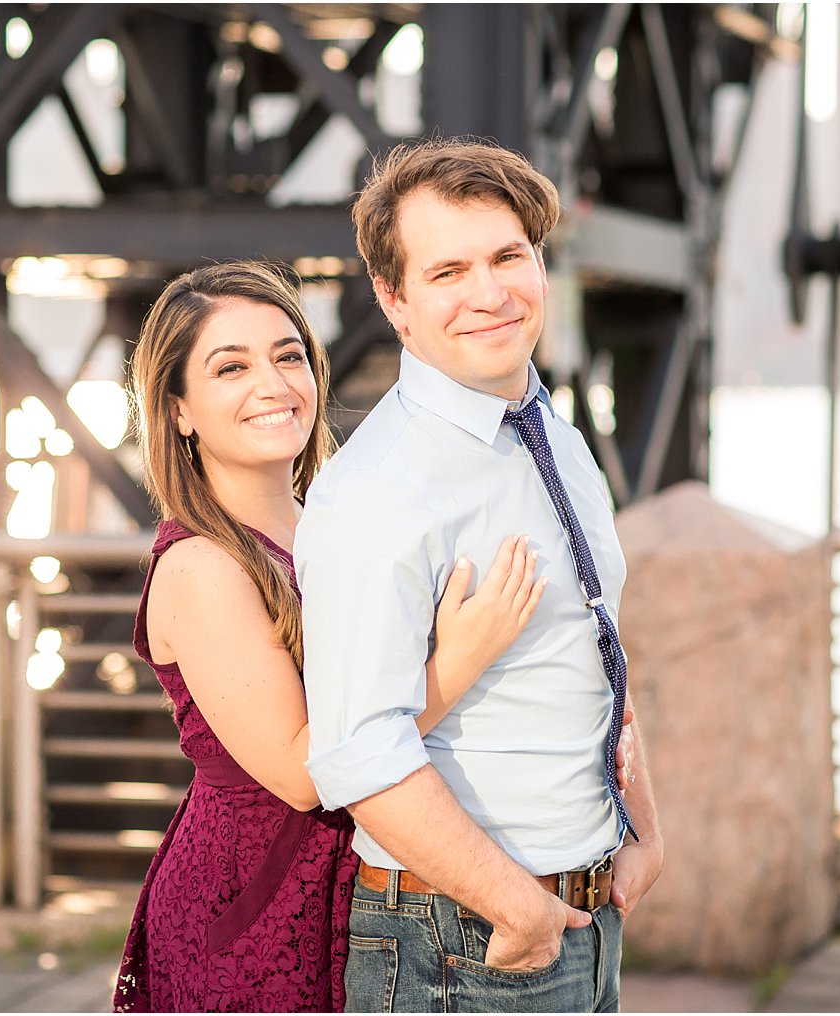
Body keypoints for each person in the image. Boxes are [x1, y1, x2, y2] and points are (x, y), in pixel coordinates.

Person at [112, 260, 553, 1012]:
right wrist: (460, 659)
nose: (274, 384)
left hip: (357, 881)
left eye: (289, 356)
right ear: (178, 408)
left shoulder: (330, 520)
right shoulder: (201, 566)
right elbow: (304, 774)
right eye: (231, 367)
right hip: (253, 902)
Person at [297, 138, 665, 1012]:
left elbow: (595, 639)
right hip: (465, 939)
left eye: (509, 256)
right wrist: (517, 908)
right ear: (394, 300)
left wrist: (645, 828)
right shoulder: (379, 490)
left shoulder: (552, 434)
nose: (490, 293)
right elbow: (357, 750)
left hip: (583, 913)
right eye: (448, 271)